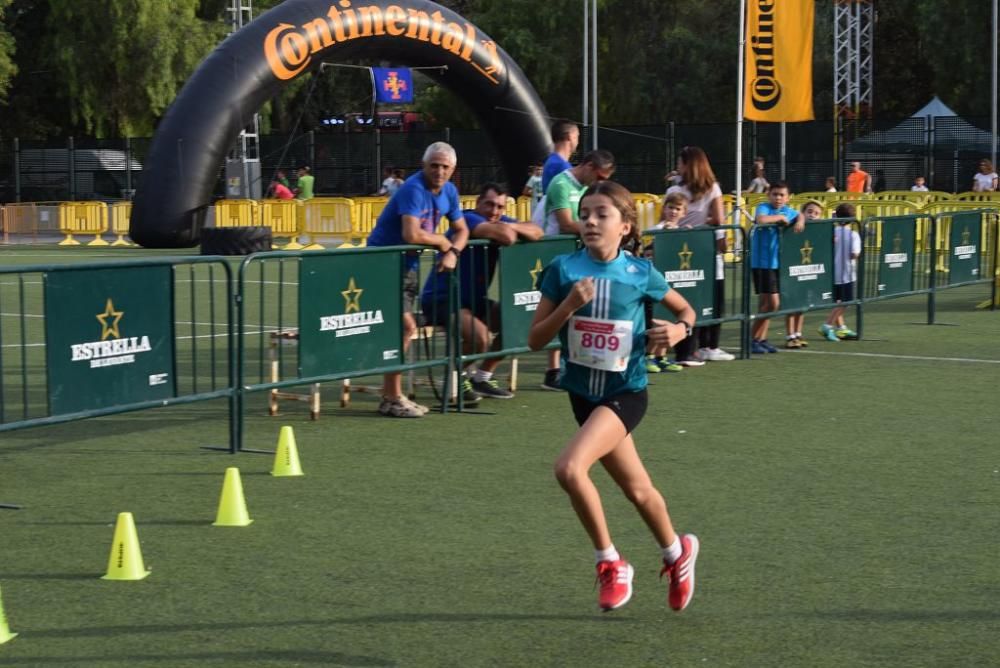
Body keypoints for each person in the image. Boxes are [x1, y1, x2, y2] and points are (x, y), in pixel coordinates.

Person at [527, 180, 699, 613]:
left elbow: (687, 311)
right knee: (638, 490)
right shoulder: (562, 270)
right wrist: (568, 306)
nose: (589, 221)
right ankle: (677, 552)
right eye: (585, 213)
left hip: (626, 392)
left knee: (569, 468)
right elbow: (534, 340)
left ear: (625, 225)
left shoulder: (641, 273)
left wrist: (678, 331)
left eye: (601, 214)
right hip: (583, 396)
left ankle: (611, 563)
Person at [366, 142, 469, 418]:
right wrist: (443, 244)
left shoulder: (449, 191)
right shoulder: (413, 189)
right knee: (404, 327)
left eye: (445, 167)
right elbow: (412, 234)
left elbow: (462, 230)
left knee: (402, 329)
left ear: (452, 170)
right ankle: (391, 397)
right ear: (423, 165)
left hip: (407, 266)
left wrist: (454, 251)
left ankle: (392, 394)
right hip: (382, 264)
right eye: (434, 165)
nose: (439, 171)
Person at [421, 182, 543, 400]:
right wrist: (509, 228)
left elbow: (537, 230)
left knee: (516, 322)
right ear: (478, 203)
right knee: (481, 338)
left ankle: (482, 377)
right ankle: (456, 379)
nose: (494, 211)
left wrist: (509, 226)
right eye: (489, 205)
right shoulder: (468, 219)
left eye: (500, 207)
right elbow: (507, 237)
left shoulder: (498, 221)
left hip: (473, 300)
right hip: (442, 298)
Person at [540, 149, 616, 391]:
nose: (602, 182)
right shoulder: (561, 183)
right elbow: (565, 224)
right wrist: (601, 228)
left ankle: (568, 366)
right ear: (590, 166)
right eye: (601, 176)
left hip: (574, 255)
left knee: (576, 311)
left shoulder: (585, 189)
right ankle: (552, 371)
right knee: (557, 310)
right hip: (552, 255)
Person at [664, 146, 734, 365]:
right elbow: (719, 220)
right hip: (701, 249)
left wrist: (693, 227)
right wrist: (703, 225)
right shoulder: (704, 189)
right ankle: (698, 348)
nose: (677, 166)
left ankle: (703, 347)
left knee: (697, 295)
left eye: (680, 162)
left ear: (689, 164)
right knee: (704, 296)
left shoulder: (710, 188)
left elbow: (719, 220)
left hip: (691, 249)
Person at [750, 181, 804, 354]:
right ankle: (750, 338)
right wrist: (779, 218)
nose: (778, 198)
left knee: (765, 304)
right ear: (769, 195)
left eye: (782, 195)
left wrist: (800, 220)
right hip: (762, 263)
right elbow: (761, 219)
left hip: (777, 263)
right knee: (773, 304)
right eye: (775, 194)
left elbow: (799, 214)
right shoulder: (763, 207)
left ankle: (761, 339)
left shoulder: (789, 210)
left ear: (788, 197)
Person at [644, 192, 688, 373]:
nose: (673, 212)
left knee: (670, 318)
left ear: (684, 212)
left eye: (678, 209)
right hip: (656, 282)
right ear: (664, 209)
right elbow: (647, 249)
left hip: (674, 281)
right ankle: (648, 356)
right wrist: (663, 234)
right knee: (657, 320)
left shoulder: (684, 232)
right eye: (670, 207)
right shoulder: (657, 228)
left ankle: (661, 356)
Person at [784, 200, 823, 348]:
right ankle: (790, 336)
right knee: (791, 304)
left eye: (816, 213)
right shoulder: (795, 227)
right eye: (810, 211)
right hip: (793, 271)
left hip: (807, 271)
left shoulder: (817, 231)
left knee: (802, 305)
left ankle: (798, 334)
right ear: (803, 212)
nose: (812, 215)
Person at [820, 203, 862, 341]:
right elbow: (854, 254)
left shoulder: (831, 232)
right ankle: (827, 325)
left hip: (833, 273)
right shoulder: (853, 234)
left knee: (838, 300)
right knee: (845, 302)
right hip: (846, 273)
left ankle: (841, 328)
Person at [541, 120, 580, 193]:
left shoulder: (553, 161)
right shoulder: (561, 166)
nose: (578, 142)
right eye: (577, 136)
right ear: (570, 136)